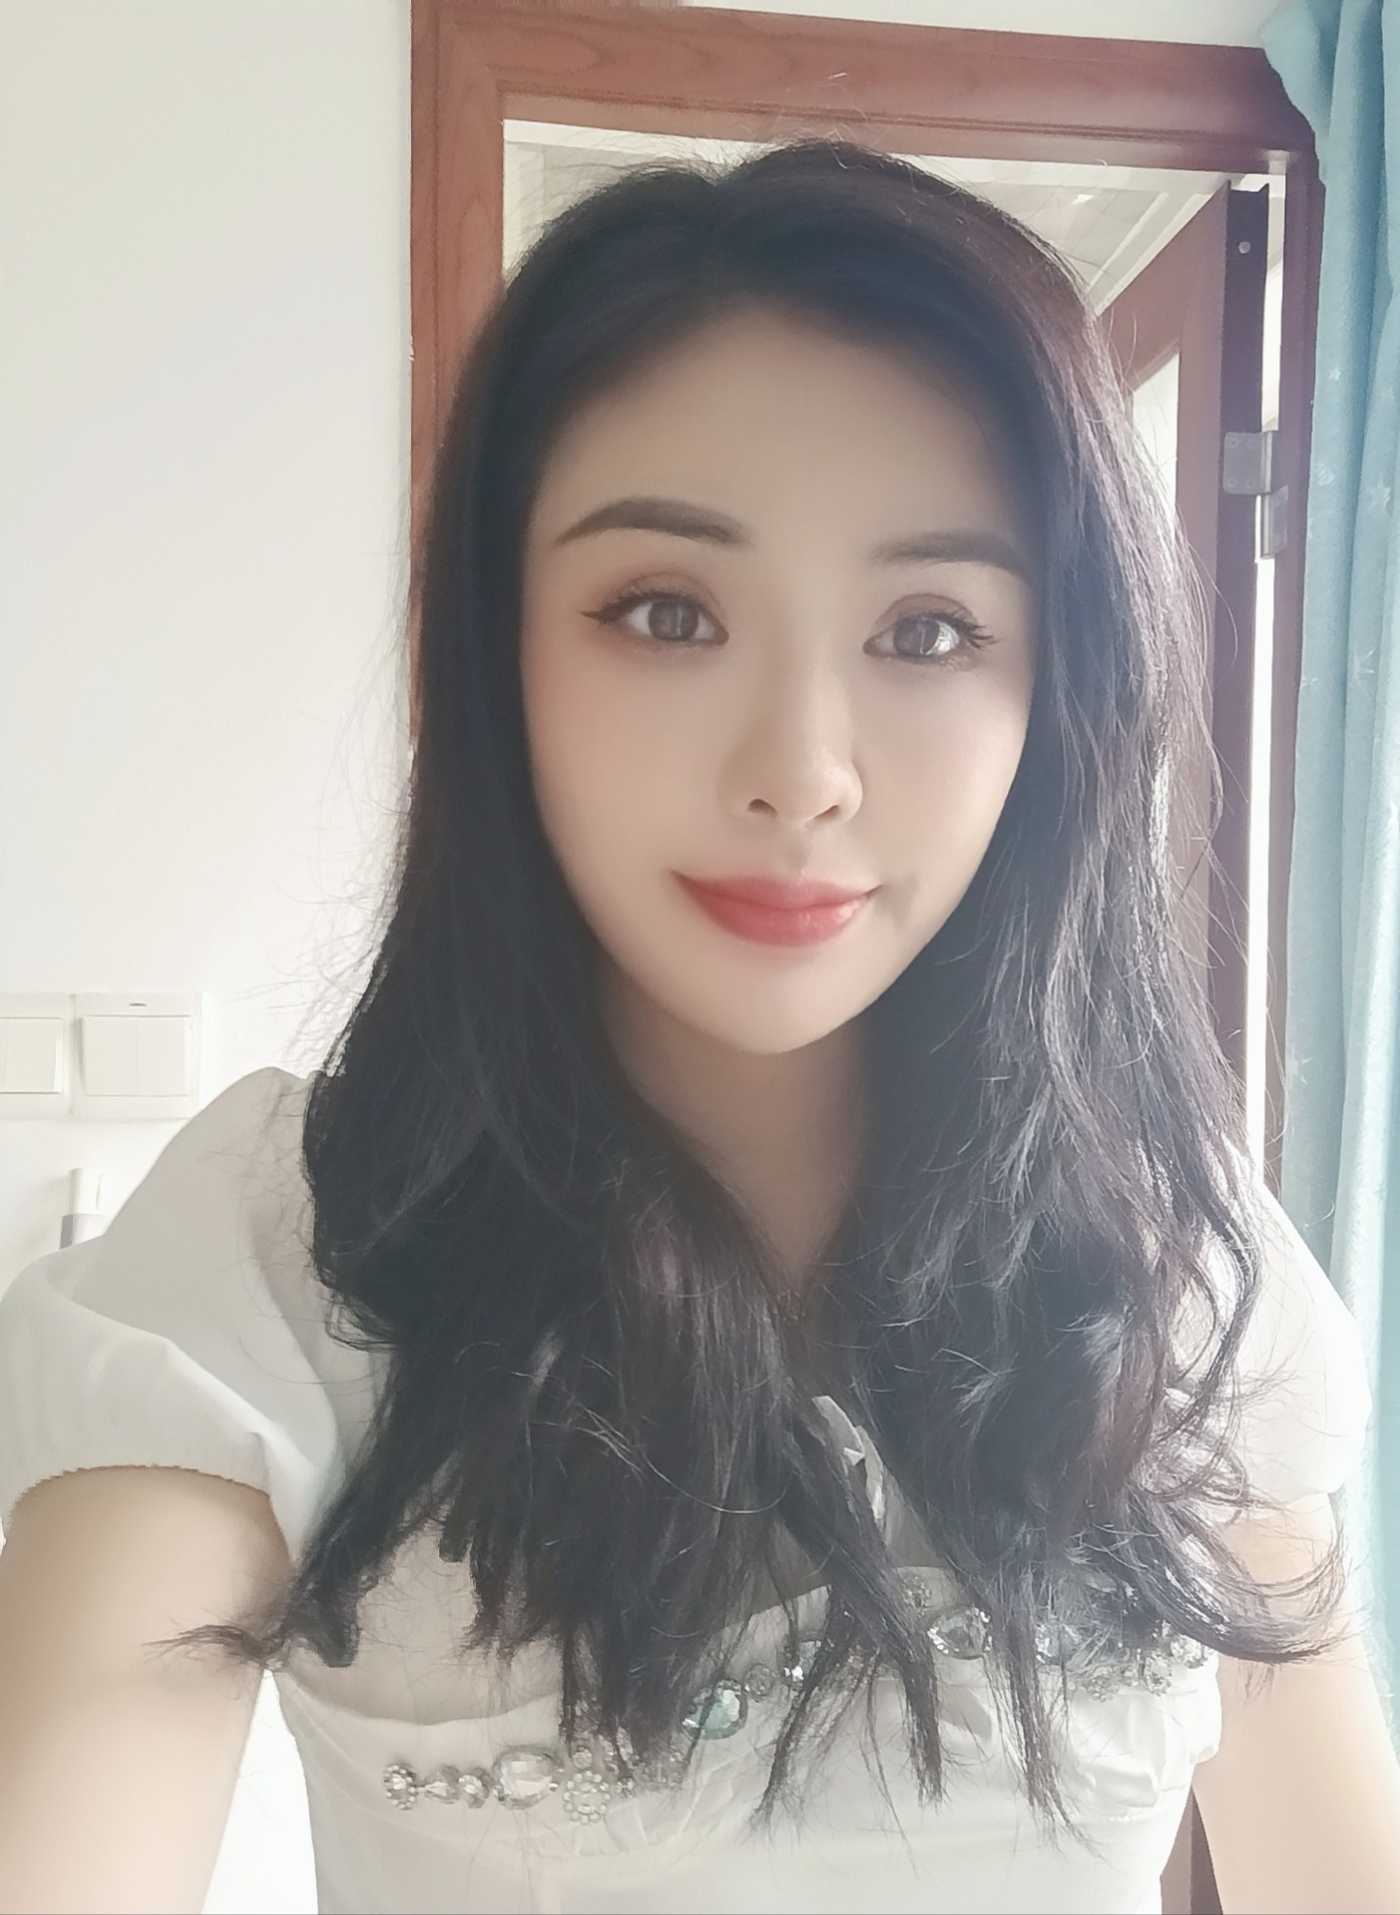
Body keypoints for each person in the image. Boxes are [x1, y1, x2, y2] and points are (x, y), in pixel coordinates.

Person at [0, 138, 1390, 1915]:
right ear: (499, 654)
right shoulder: (295, 1247)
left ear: (1057, 699)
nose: (800, 773)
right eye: (667, 613)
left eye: (929, 629)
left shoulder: (1173, 1270)